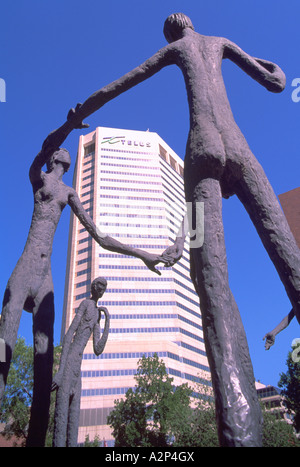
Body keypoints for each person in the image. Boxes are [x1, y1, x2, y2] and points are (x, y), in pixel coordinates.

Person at [67, 13, 300, 446]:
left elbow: (120, 83)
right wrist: (271, 64)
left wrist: (78, 113)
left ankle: (240, 433)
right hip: (237, 144)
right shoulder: (219, 42)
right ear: (191, 24)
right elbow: (276, 81)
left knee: (210, 282)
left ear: (172, 34)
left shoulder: (175, 50)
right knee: (286, 251)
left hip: (202, 150)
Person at [0, 117, 167, 446]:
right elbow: (42, 149)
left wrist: (143, 254)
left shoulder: (68, 192)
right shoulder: (41, 180)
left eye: (64, 150)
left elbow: (100, 237)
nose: (63, 152)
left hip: (46, 280)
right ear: (54, 158)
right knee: (3, 348)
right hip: (24, 271)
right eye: (59, 150)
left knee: (45, 364)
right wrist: (68, 124)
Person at [51, 277, 110, 447]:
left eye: (104, 288)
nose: (101, 290)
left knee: (73, 424)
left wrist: (107, 322)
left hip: (78, 368)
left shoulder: (98, 314)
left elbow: (98, 349)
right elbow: (69, 334)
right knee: (61, 422)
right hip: (69, 363)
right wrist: (60, 372)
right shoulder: (85, 304)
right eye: (100, 287)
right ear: (94, 288)